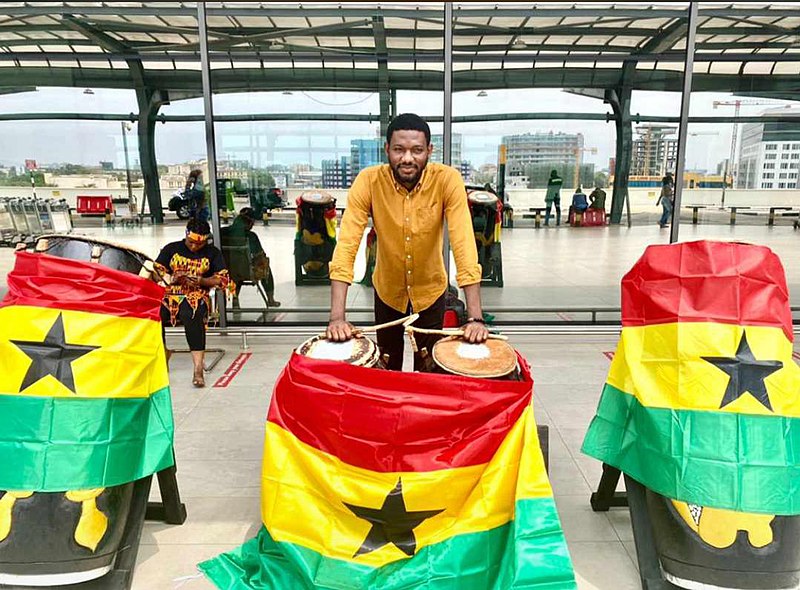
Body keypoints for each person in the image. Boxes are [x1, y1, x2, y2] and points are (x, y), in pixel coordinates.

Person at [326, 113, 489, 371]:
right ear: (387, 149)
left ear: (429, 151)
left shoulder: (447, 180)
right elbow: (346, 246)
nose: (407, 159)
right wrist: (337, 318)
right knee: (387, 370)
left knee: (430, 371)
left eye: (417, 150)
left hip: (431, 293)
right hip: (387, 292)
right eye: (399, 150)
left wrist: (475, 318)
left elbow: (464, 246)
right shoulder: (368, 181)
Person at [155, 218, 230, 388]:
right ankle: (162, 353)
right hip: (169, 294)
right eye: (191, 243)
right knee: (154, 314)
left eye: (199, 244)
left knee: (191, 313)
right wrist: (171, 277)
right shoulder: (172, 249)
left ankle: (198, 368)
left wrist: (201, 281)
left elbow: (223, 279)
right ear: (186, 235)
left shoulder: (212, 253)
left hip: (196, 295)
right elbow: (156, 271)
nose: (194, 247)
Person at [223, 207, 281, 308]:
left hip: (224, 272)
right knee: (264, 266)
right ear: (249, 223)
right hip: (245, 272)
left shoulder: (222, 232)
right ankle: (270, 299)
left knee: (236, 269)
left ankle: (235, 300)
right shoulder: (251, 236)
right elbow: (260, 255)